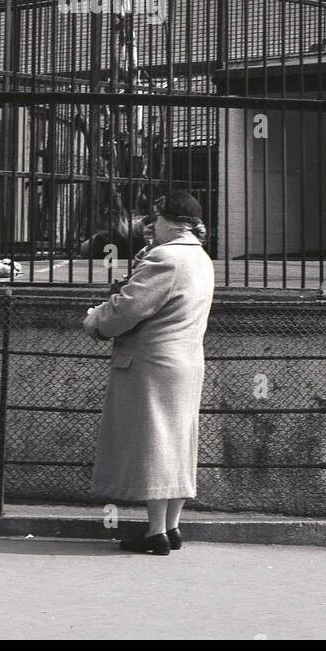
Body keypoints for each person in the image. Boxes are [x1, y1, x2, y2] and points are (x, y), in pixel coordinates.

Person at [83, 190, 215, 555]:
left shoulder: (165, 257)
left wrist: (95, 319)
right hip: (186, 362)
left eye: (155, 220)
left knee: (155, 443)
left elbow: (130, 308)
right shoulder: (201, 258)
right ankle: (172, 527)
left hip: (153, 363)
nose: (151, 227)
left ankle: (155, 532)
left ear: (170, 222)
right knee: (179, 442)